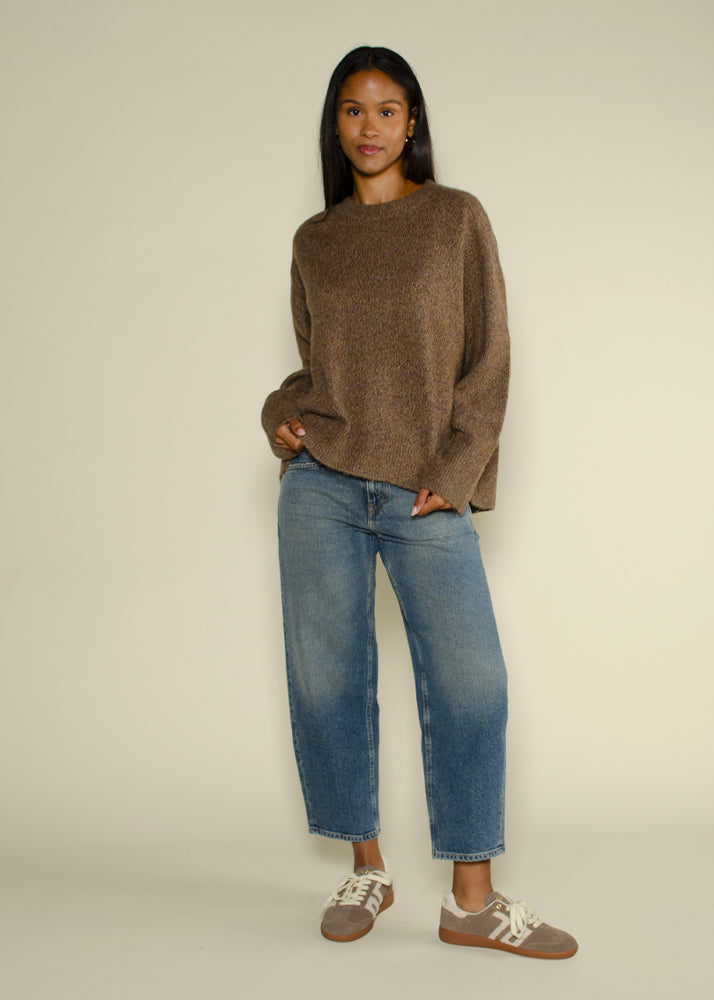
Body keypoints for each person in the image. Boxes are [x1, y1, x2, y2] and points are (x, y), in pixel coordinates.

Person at [261, 45, 577, 960]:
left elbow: (489, 354)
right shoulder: (315, 240)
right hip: (321, 484)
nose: (370, 126)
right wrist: (280, 414)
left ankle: (471, 903)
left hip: (425, 491)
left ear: (412, 124)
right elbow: (318, 370)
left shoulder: (455, 219)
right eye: (353, 110)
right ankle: (366, 866)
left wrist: (460, 462)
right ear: (336, 125)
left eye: (387, 109)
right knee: (329, 678)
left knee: (472, 681)